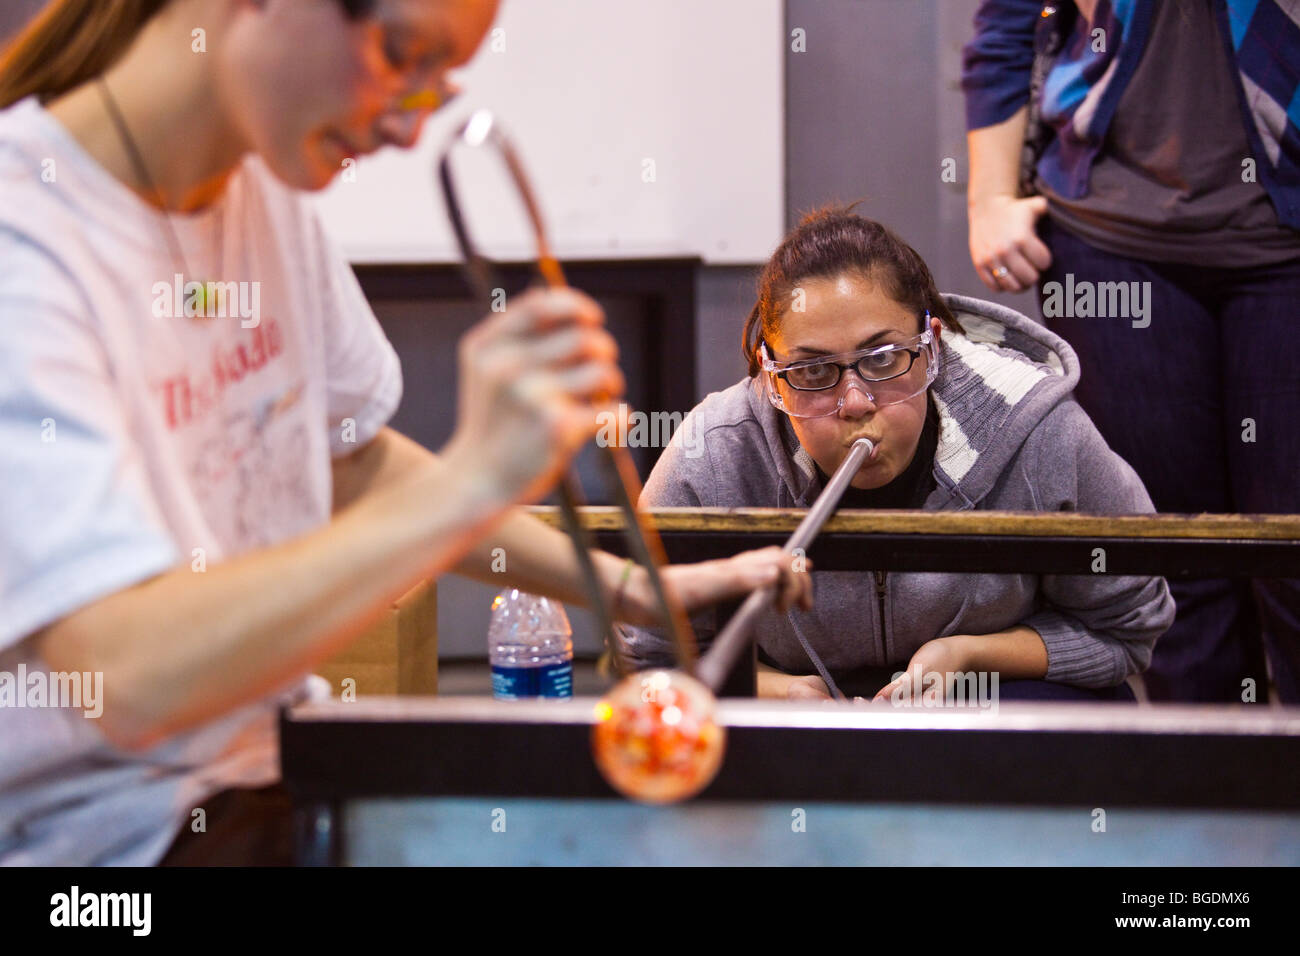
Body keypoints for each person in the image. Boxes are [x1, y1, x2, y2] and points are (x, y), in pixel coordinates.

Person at [0, 0, 810, 865]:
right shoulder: (27, 243)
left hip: (279, 770)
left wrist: (620, 588)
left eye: (440, 82)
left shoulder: (262, 196)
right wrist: (473, 475)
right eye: (397, 54)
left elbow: (349, 458)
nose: (408, 126)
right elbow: (128, 679)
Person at [617, 207, 1175, 703]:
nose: (855, 402)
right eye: (812, 372)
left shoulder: (1038, 430)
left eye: (884, 359)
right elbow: (651, 661)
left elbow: (1123, 631)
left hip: (990, 703)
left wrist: (968, 656)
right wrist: (781, 692)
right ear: (773, 378)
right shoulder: (712, 454)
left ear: (931, 347)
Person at [962, 0, 1300, 703]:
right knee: (1169, 558)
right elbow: (1012, 18)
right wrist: (989, 197)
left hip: (1285, 240)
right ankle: (1207, 800)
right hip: (1111, 237)